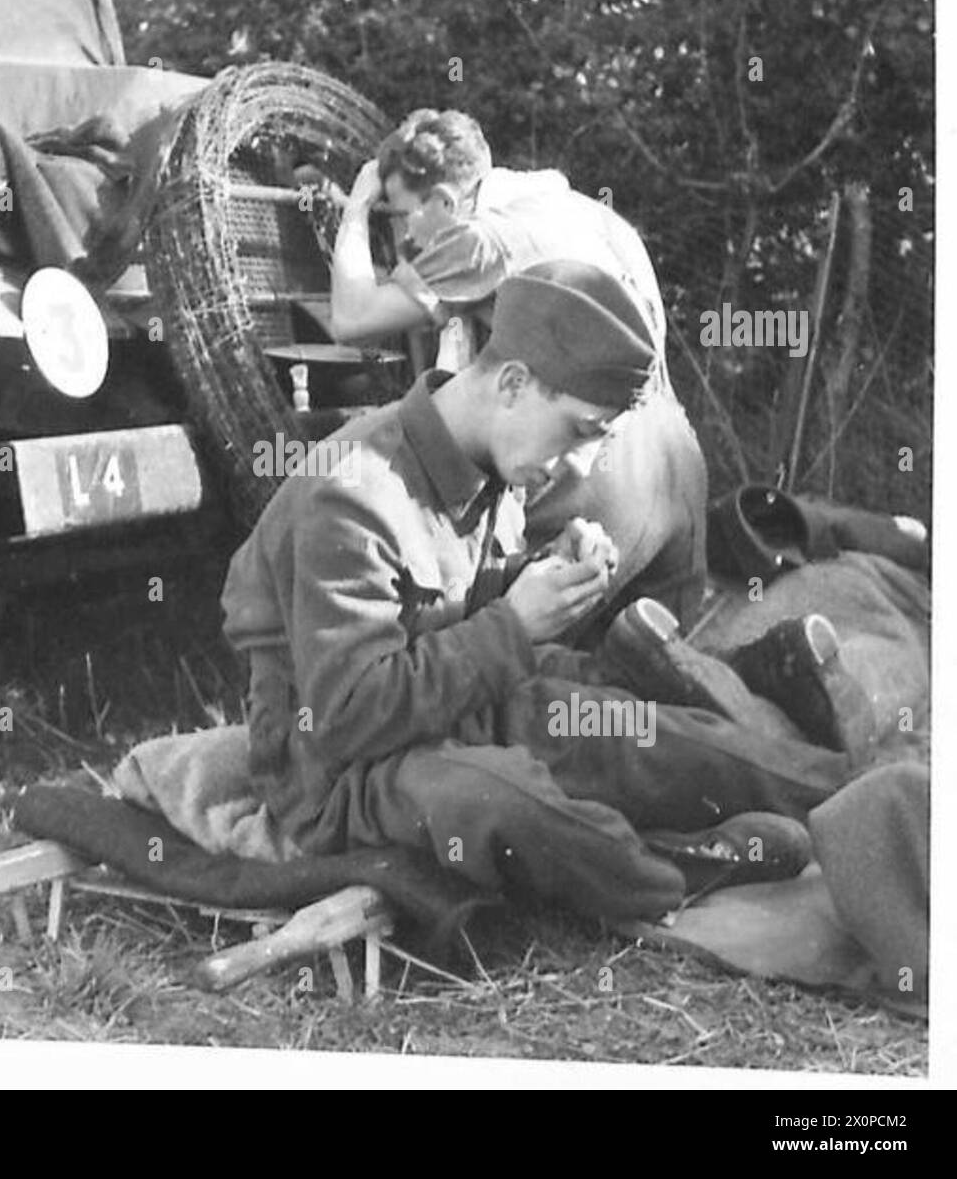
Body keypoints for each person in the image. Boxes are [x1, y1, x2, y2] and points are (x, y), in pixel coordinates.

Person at [222, 260, 851, 921]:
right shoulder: (350, 495)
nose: (580, 462)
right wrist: (516, 627)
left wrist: (543, 577)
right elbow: (347, 717)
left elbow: (454, 607)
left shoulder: (489, 458)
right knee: (501, 801)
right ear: (515, 383)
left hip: (457, 704)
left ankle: (857, 796)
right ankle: (678, 874)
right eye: (579, 430)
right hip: (339, 773)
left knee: (631, 733)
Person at [329, 108, 705, 635]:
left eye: (404, 214)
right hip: (676, 458)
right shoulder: (568, 205)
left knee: (521, 668)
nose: (408, 238)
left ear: (444, 202)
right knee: (667, 678)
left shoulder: (479, 239)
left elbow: (352, 318)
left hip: (597, 468)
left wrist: (357, 208)